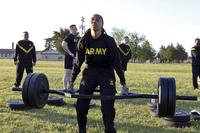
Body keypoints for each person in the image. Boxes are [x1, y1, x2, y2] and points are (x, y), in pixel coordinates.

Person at [70, 14, 128, 133]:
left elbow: (117, 63)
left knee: (107, 106)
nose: (94, 22)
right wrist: (71, 81)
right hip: (89, 72)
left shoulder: (109, 41)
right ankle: (81, 129)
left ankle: (109, 129)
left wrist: (123, 82)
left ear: (102, 24)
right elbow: (78, 63)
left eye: (97, 20)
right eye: (92, 20)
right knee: (81, 104)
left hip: (106, 72)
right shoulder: (84, 40)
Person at [62, 24, 80, 93]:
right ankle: (65, 88)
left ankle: (70, 87)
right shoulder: (69, 36)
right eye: (75, 28)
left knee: (72, 73)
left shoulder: (74, 37)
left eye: (76, 28)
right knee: (67, 73)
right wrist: (69, 53)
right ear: (71, 29)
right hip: (69, 57)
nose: (76, 29)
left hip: (73, 58)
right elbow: (63, 44)